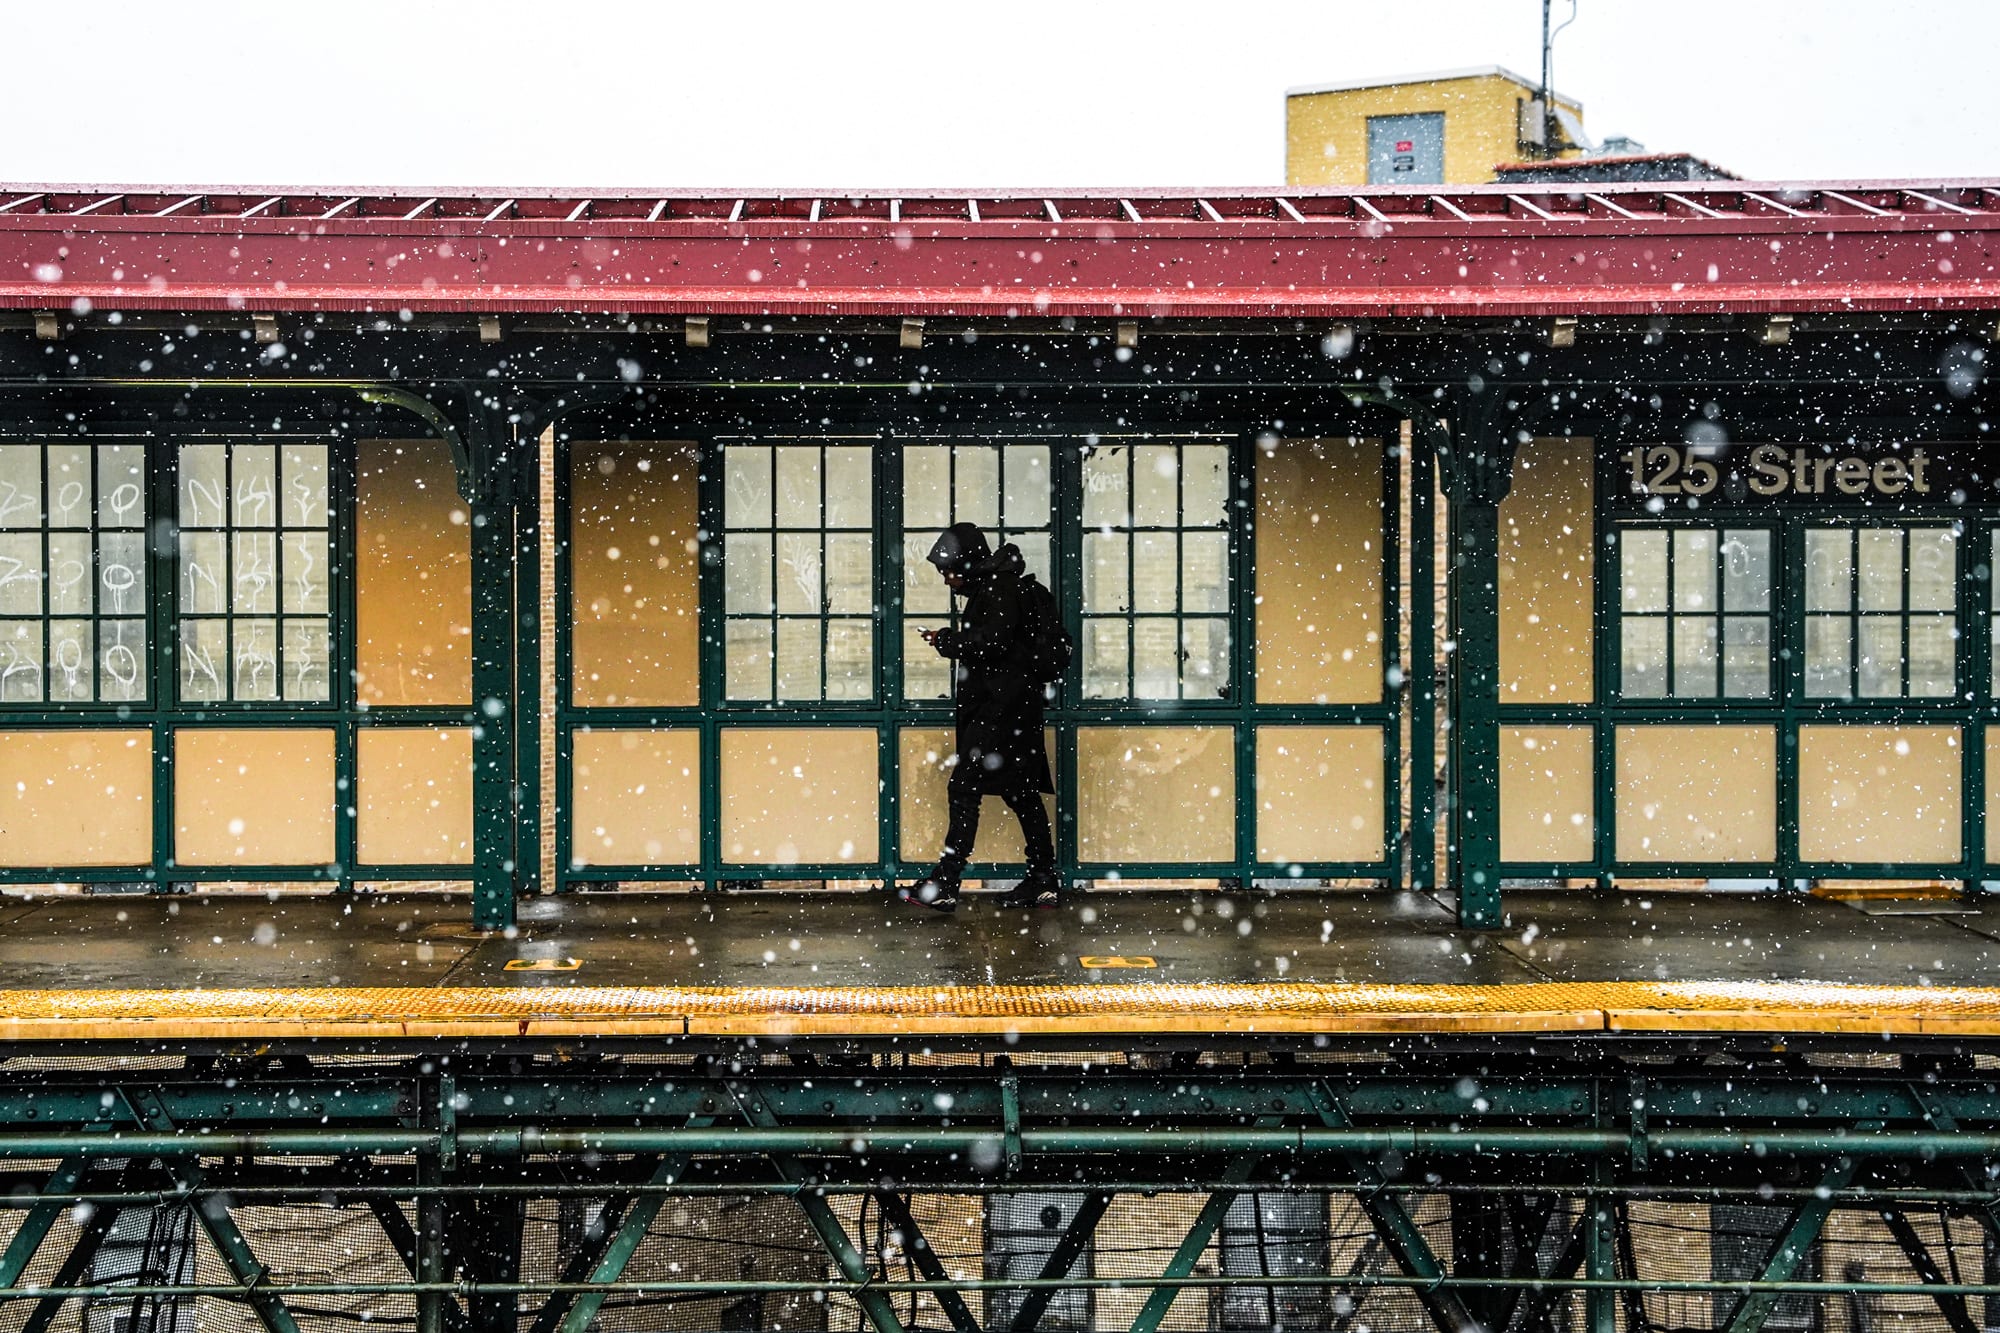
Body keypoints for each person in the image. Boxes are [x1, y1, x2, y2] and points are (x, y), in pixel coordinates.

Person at [900, 521, 1061, 912]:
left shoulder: (998, 590)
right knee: (1021, 792)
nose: (947, 581)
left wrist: (946, 640)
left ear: (969, 564)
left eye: (950, 572)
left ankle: (947, 881)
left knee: (964, 790)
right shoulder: (999, 586)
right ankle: (1043, 880)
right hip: (1014, 712)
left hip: (999, 714)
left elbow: (992, 644)